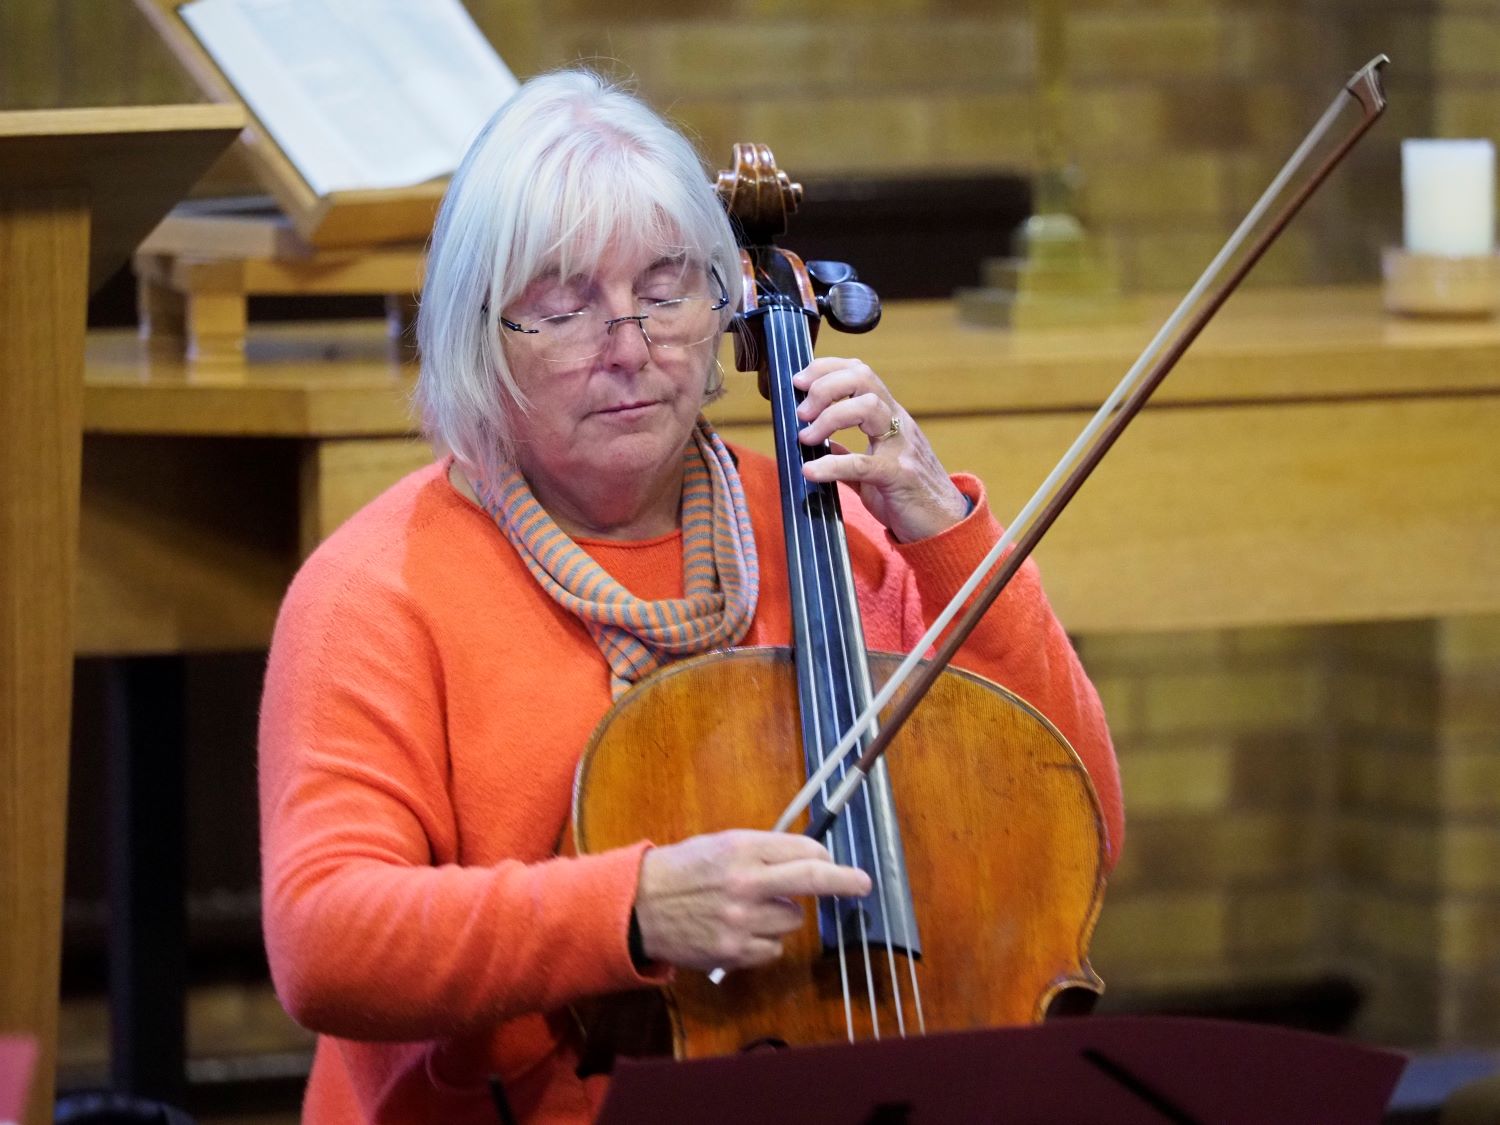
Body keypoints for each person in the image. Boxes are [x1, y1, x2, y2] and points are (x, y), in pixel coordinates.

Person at [258, 69, 1124, 1125]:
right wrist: (631, 908)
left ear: (724, 303)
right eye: (564, 306)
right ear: (477, 335)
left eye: (666, 292)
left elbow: (1075, 830)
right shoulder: (376, 590)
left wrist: (946, 535)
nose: (629, 347)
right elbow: (324, 941)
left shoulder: (831, 530)